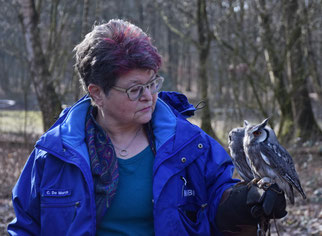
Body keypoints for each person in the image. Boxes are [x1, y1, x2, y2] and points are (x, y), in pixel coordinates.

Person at [7, 19, 286, 236]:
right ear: (97, 93)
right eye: (134, 89)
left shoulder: (191, 145)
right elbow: (25, 227)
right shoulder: (54, 154)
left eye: (153, 83)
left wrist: (243, 203)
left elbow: (218, 202)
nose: (148, 96)